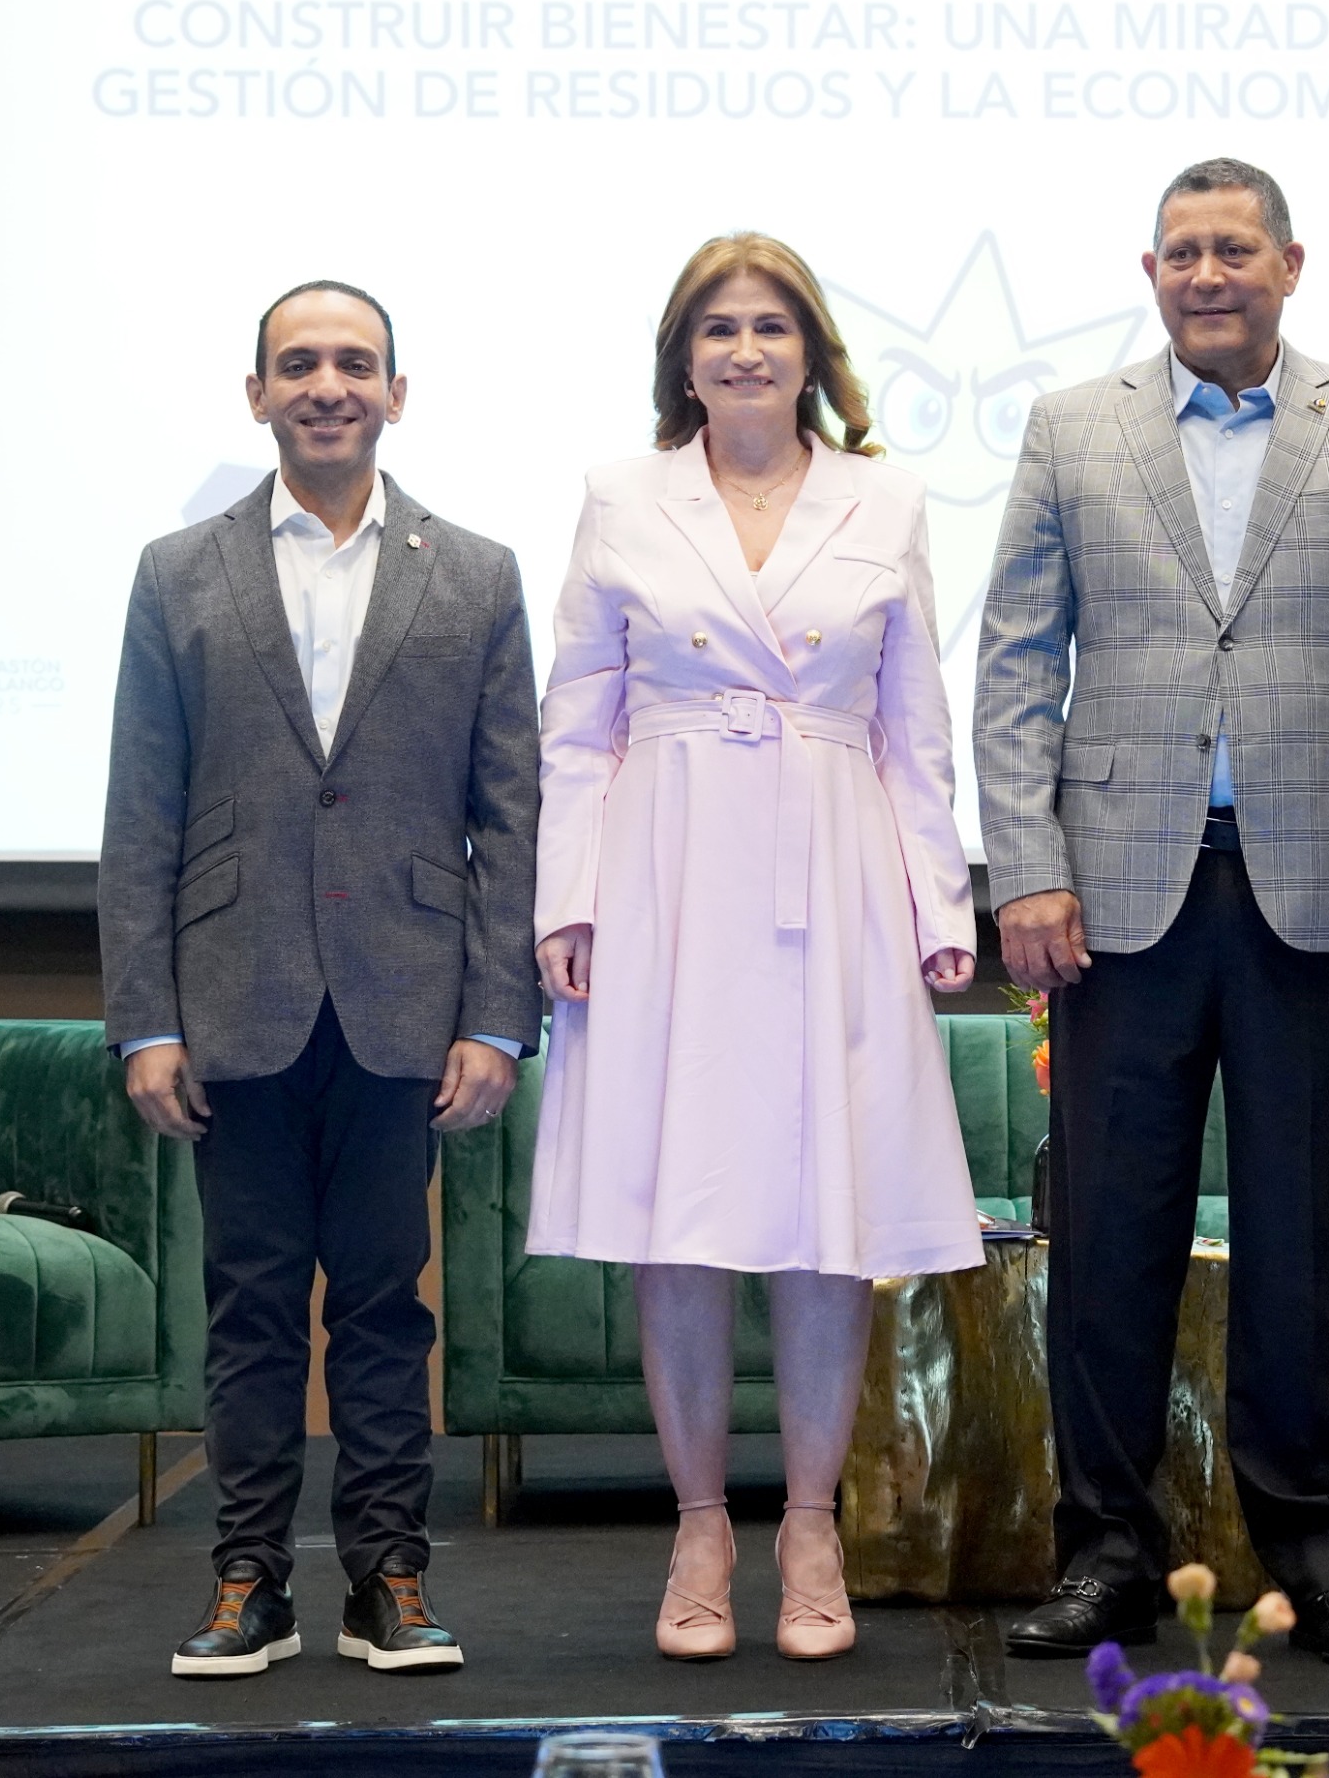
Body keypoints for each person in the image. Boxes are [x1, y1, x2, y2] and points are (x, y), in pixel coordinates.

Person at [975, 158, 1329, 1671]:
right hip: (1113, 895)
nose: (1208, 274)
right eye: (1183, 251)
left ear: (1289, 265)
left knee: (1299, 1242)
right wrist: (1026, 865)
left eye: (1235, 250)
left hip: (1321, 891)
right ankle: (1105, 1553)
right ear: (1150, 272)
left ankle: (1317, 1551)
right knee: (1108, 1239)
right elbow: (1016, 660)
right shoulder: (1072, 428)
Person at [526, 233, 981, 1663]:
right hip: (666, 870)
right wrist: (566, 899)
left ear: (811, 352)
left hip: (834, 866)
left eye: (770, 326)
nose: (743, 350)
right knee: (682, 1213)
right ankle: (700, 1525)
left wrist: (941, 905)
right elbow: (575, 724)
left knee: (826, 1216)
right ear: (684, 357)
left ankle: (812, 1526)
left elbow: (915, 729)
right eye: (716, 328)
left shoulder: (887, 497)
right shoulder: (621, 494)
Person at [100, 281, 541, 1677]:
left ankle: (388, 1579)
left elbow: (511, 816)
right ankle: (249, 1580)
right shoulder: (179, 573)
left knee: (384, 1306)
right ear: (258, 395)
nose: (328, 385)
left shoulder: (476, 575)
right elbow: (141, 816)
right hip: (233, 1000)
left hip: (406, 1001)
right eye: (299, 364)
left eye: (355, 363)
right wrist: (145, 1019)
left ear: (396, 395)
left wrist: (496, 1016)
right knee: (248, 1308)